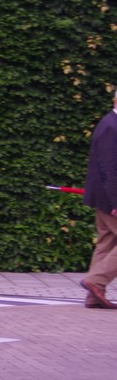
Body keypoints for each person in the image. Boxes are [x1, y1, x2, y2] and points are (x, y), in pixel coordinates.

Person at [81, 89, 117, 309]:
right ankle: (96, 281)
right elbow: (110, 169)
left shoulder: (109, 123)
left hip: (103, 197)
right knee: (106, 242)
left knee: (106, 243)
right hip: (109, 198)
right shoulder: (111, 126)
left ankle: (94, 296)